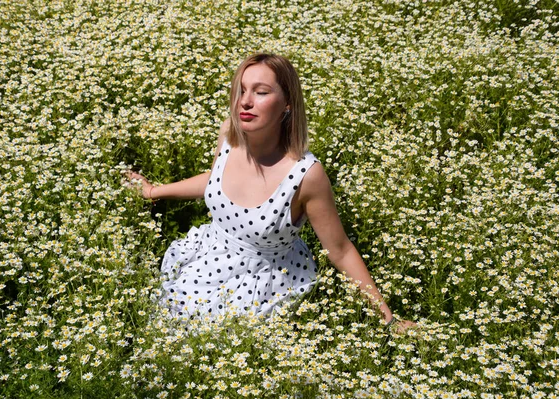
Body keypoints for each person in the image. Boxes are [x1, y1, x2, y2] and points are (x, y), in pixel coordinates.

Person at [126, 53, 415, 331]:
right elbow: (216, 180)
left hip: (259, 282)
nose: (246, 102)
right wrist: (153, 191)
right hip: (206, 256)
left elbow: (340, 250)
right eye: (241, 90)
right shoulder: (230, 134)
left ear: (287, 104)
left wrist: (388, 321)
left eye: (261, 92)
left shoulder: (305, 175)